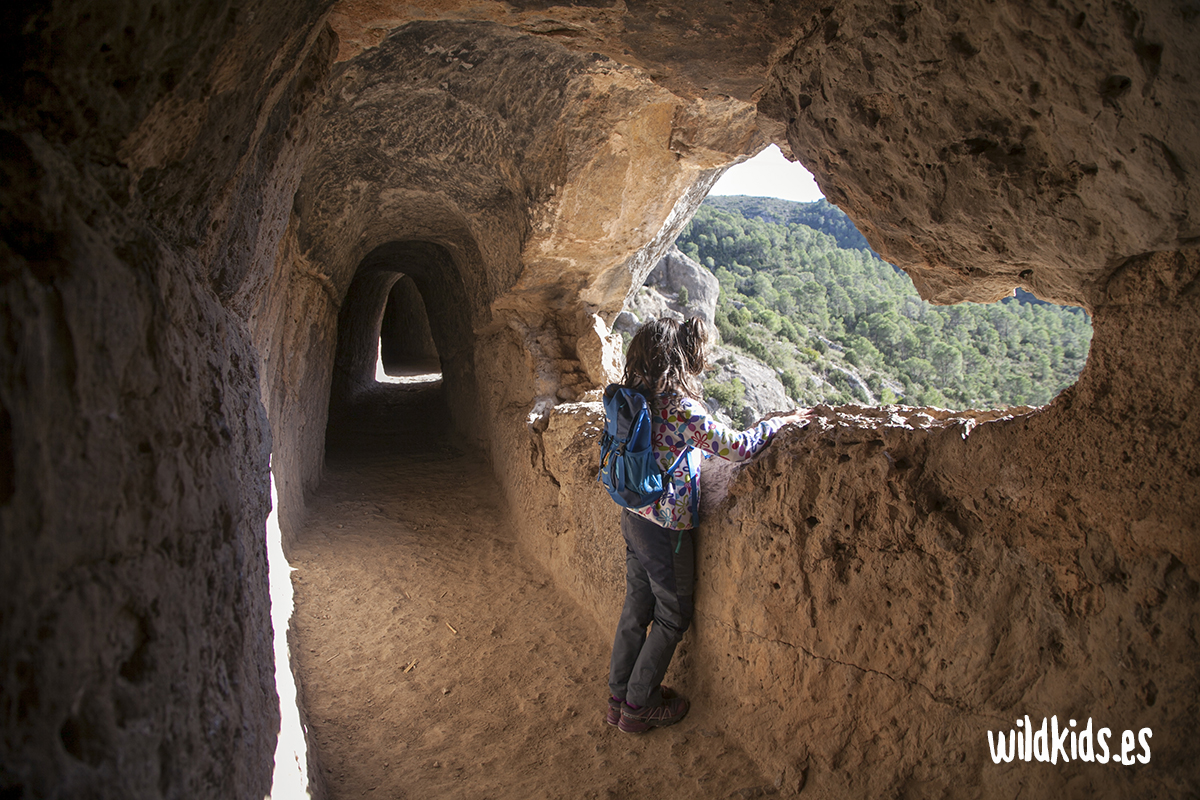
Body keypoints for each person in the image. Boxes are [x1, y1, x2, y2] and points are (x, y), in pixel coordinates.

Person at [605, 316, 808, 734]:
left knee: (635, 609)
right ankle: (638, 707)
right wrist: (780, 423)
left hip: (633, 518)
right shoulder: (680, 409)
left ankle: (618, 696)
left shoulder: (631, 400)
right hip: (666, 530)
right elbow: (738, 448)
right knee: (672, 616)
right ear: (679, 359)